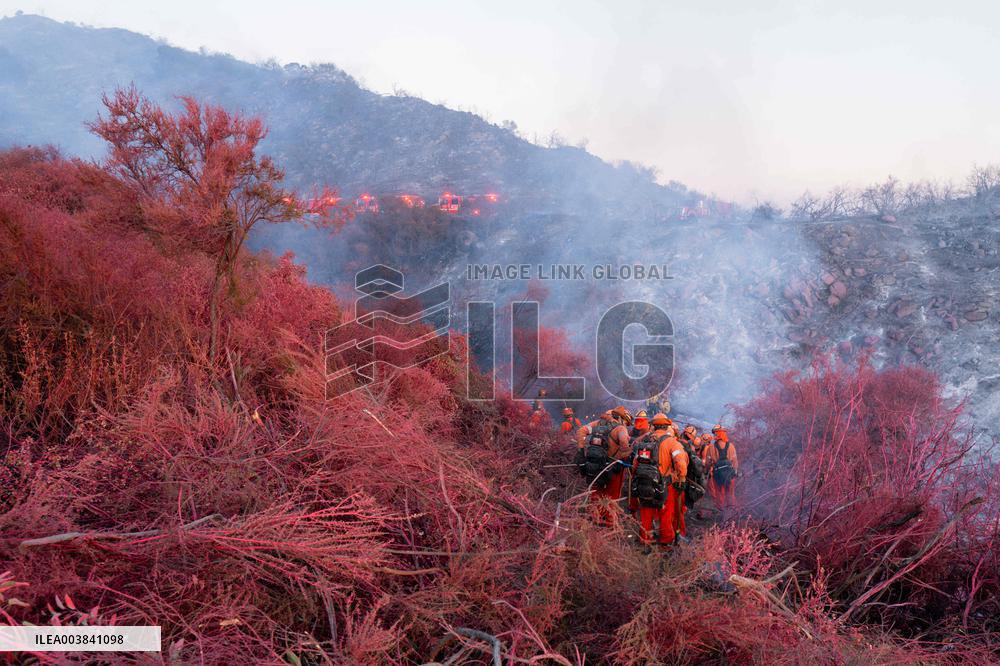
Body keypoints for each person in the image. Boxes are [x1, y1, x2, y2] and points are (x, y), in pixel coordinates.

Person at [576, 407, 632, 524]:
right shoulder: (620, 428)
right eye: (626, 422)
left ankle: (595, 521)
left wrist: (581, 452)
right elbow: (624, 443)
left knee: (596, 494)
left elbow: (581, 431)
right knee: (612, 497)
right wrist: (623, 456)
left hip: (594, 465)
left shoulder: (597, 424)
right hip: (612, 467)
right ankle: (610, 524)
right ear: (621, 418)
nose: (626, 425)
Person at [705, 424, 739, 508]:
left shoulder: (711, 448)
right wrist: (735, 472)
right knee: (730, 494)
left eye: (715, 434)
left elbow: (708, 463)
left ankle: (720, 512)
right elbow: (735, 462)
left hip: (717, 475)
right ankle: (731, 512)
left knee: (720, 494)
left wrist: (707, 471)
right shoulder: (731, 446)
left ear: (717, 434)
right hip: (729, 474)